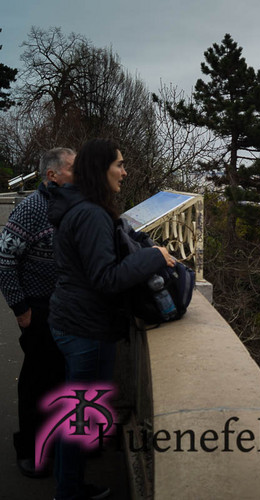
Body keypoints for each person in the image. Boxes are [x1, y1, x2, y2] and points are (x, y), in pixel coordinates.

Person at [49, 139, 172, 500]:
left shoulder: (81, 207)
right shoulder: (90, 214)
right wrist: (154, 256)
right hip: (86, 328)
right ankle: (69, 492)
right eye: (119, 164)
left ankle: (69, 486)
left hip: (77, 321)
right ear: (101, 170)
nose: (124, 170)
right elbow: (106, 278)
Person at [2, 147, 74, 479]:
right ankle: (28, 450)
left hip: (64, 309)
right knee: (35, 382)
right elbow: (4, 260)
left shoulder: (70, 205)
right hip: (39, 310)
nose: (79, 174)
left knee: (58, 381)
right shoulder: (31, 209)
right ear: (52, 176)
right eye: (72, 169)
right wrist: (21, 309)